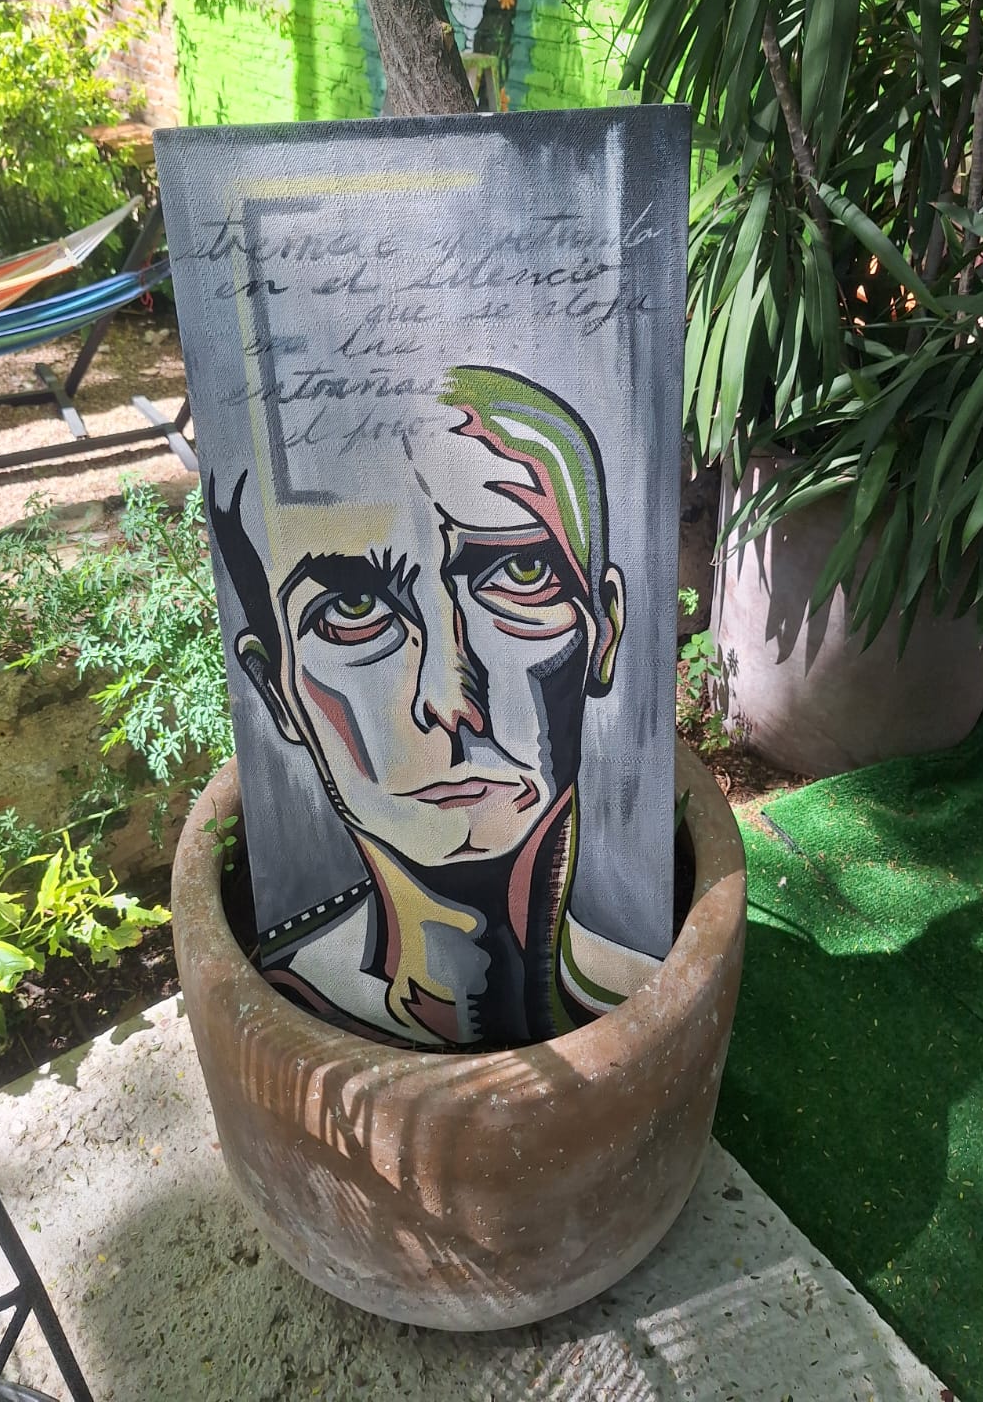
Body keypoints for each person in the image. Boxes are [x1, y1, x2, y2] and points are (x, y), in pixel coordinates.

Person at [209, 364, 660, 1048]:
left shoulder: (653, 982)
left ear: (604, 632)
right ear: (278, 691)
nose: (451, 704)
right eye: (353, 610)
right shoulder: (283, 1016)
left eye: (521, 574)